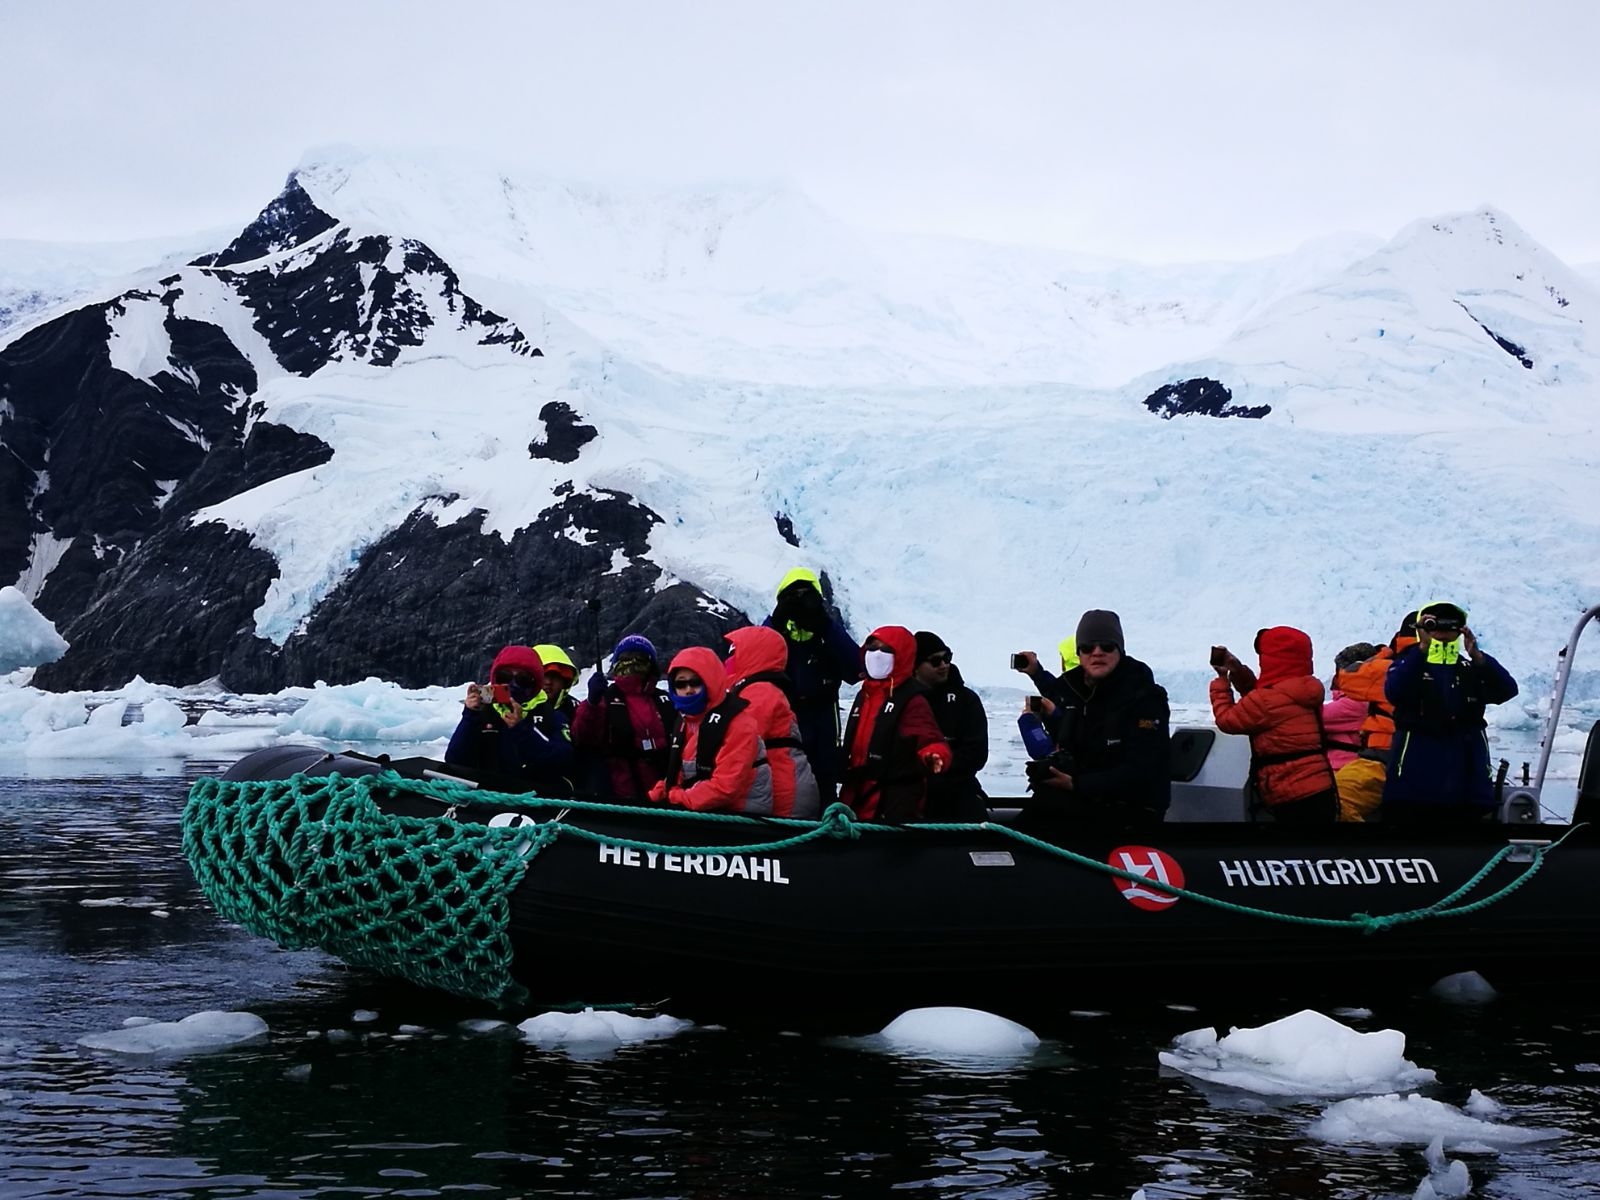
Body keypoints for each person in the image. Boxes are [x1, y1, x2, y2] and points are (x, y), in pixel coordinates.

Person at [1025, 610, 1170, 828]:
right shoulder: (1074, 693)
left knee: (1048, 810)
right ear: (1080, 653)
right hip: (1086, 799)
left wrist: (1076, 784)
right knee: (1043, 804)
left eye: (1107, 646)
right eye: (1087, 647)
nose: (1097, 653)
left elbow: (1141, 770)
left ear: (1120, 650)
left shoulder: (1145, 699)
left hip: (1131, 811)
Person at [1382, 600, 1519, 823]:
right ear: (1422, 629)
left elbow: (1507, 690)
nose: (1443, 633)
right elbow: (1394, 692)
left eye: (1450, 627)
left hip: (1466, 785)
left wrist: (1479, 657)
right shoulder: (1408, 664)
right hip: (1414, 787)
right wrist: (1422, 651)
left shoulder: (1469, 668)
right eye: (1434, 626)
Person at [1209, 627, 1339, 823]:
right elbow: (1262, 700)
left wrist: (1221, 682)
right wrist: (1238, 671)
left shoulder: (1268, 700)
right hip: (1320, 786)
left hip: (1291, 792)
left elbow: (1227, 720)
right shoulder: (1303, 688)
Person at [763, 568, 861, 802]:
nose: (800, 602)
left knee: (824, 783)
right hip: (783, 717)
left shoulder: (826, 635)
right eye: (792, 596)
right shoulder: (776, 637)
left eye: (807, 596)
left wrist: (826, 625)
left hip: (822, 718)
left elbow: (856, 668)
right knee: (781, 781)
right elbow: (749, 660)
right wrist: (776, 620)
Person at [838, 626, 951, 822]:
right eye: (872, 649)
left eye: (886, 650)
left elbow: (929, 738)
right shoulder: (865, 694)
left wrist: (935, 756)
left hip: (891, 802)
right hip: (856, 796)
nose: (877, 655)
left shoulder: (911, 700)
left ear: (902, 656)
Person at [648, 647, 775, 814]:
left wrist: (676, 797)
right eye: (680, 684)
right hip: (709, 810)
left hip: (744, 817)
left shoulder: (739, 724)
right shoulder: (685, 721)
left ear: (710, 681)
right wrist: (663, 790)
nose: (688, 690)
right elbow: (683, 771)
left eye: (695, 682)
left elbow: (725, 787)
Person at [445, 644, 575, 795]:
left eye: (523, 679)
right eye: (504, 677)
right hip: (487, 796)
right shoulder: (483, 712)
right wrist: (469, 717)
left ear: (535, 684)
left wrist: (522, 730)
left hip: (535, 798)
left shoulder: (552, 716)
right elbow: (454, 760)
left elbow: (563, 759)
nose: (512, 685)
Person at [723, 625, 821, 818]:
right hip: (783, 789)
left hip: (784, 795)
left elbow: (742, 741)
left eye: (734, 652)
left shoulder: (759, 692)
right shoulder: (761, 689)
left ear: (753, 654)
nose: (728, 660)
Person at [1331, 613, 1421, 822]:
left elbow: (1347, 677)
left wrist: (1382, 653)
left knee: (1334, 801)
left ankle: (1366, 852)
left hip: (1381, 762)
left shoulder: (1389, 669)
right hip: (1432, 766)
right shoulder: (1457, 671)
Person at [571, 634, 676, 802]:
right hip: (621, 796)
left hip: (669, 793)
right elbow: (582, 737)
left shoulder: (666, 700)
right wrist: (591, 704)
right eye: (626, 658)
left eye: (640, 658)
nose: (632, 663)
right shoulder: (604, 699)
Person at [913, 631, 989, 822]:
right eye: (935, 661)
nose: (944, 665)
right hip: (913, 791)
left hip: (957, 789)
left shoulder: (966, 700)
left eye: (947, 658)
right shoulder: (903, 701)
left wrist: (939, 770)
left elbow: (976, 753)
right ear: (915, 667)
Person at [1323, 642, 1379, 775]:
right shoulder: (1367, 699)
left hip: (1343, 770)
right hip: (1347, 768)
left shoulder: (1358, 702)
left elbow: (1311, 716)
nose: (1337, 677)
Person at [1010, 636, 1079, 709]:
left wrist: (1030, 719)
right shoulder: (1078, 689)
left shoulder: (1074, 693)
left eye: (1062, 657)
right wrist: (1036, 672)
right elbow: (1055, 692)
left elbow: (1063, 716)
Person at [533, 644, 579, 720]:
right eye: (543, 676)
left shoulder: (577, 711)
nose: (548, 682)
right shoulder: (515, 710)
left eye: (555, 676)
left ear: (565, 681)